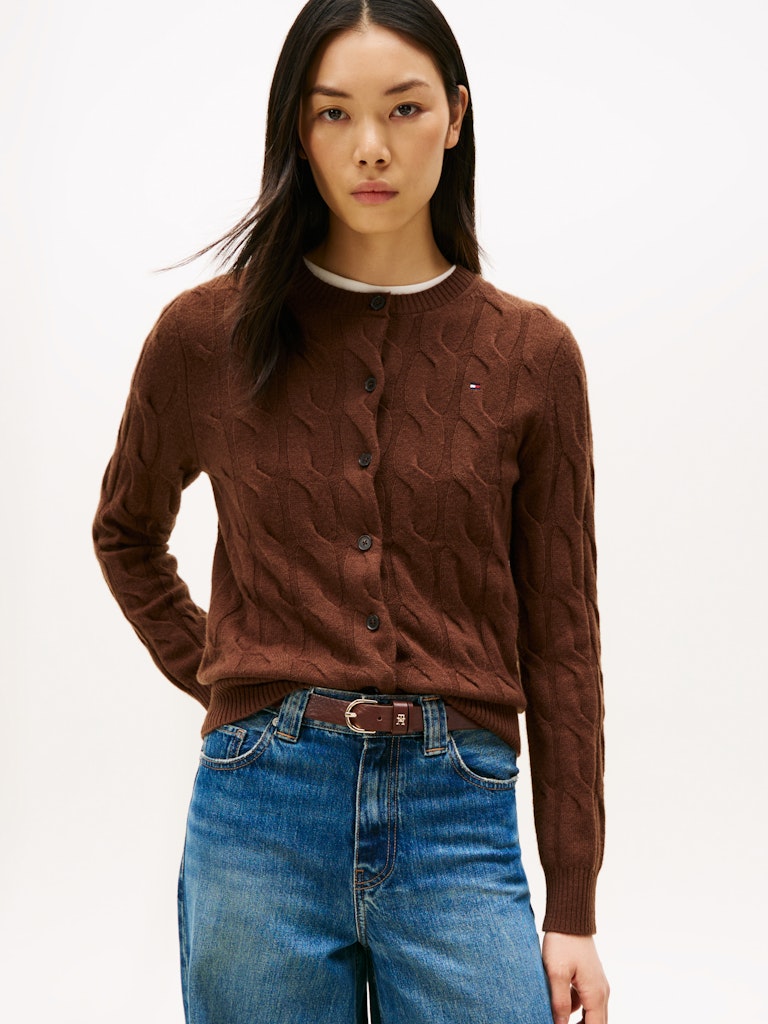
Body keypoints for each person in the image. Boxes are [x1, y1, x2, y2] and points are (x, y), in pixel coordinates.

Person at [93, 0, 609, 1021]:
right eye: (334, 113)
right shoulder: (206, 336)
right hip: (260, 815)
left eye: (403, 108)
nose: (371, 145)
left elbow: (562, 644)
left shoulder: (530, 357)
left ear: (455, 116)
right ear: (299, 127)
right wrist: (233, 679)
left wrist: (575, 907)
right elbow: (126, 533)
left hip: (460, 816)